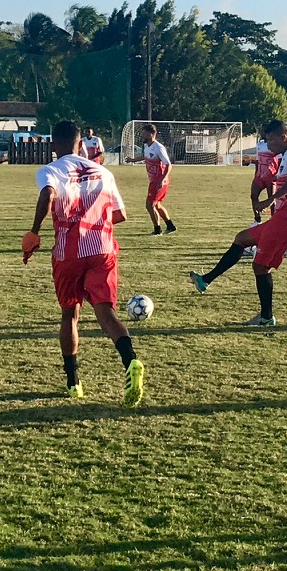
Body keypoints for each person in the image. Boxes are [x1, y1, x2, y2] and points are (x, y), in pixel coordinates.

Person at [22, 120, 145, 405]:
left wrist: (34, 231)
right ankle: (131, 361)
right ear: (81, 144)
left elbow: (48, 194)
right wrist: (95, 220)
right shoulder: (103, 171)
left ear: (53, 145)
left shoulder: (50, 170)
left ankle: (73, 380)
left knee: (70, 315)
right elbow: (120, 215)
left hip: (69, 252)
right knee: (106, 313)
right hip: (102, 249)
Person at [189, 119, 287, 326]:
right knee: (242, 239)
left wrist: (271, 199)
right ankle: (205, 280)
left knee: (260, 267)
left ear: (283, 137)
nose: (267, 143)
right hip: (283, 220)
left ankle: (266, 317)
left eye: (270, 139)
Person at [128, 124, 177, 235]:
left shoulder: (159, 147)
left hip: (159, 181)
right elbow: (145, 157)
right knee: (157, 205)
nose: (142, 136)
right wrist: (133, 160)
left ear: (151, 134)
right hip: (154, 180)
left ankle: (157, 230)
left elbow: (168, 165)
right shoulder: (148, 146)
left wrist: (162, 180)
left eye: (144, 133)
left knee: (149, 205)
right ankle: (170, 226)